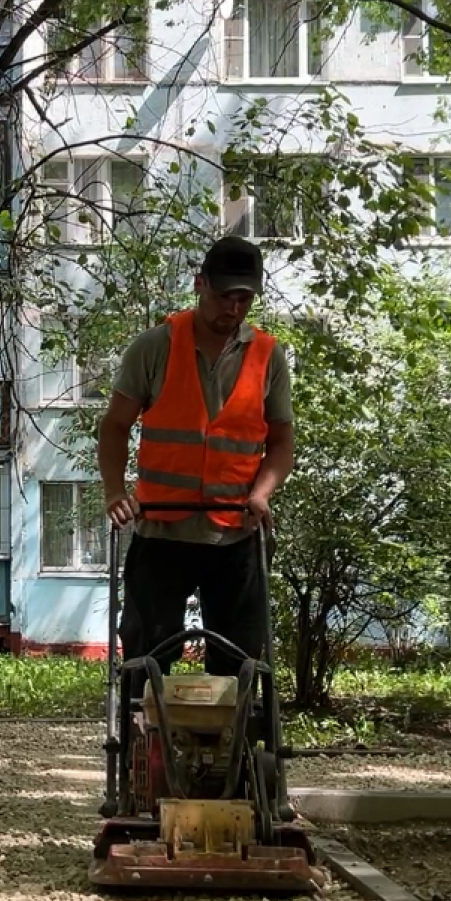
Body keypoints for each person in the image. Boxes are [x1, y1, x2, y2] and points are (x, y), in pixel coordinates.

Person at [97, 234, 294, 676]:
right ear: (199, 283)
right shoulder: (155, 347)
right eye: (225, 296)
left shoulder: (268, 356)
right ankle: (145, 720)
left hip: (237, 535)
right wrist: (114, 492)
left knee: (240, 663)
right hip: (161, 532)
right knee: (146, 660)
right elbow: (114, 427)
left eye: (244, 299)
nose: (234, 309)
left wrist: (262, 493)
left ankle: (233, 723)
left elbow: (282, 442)